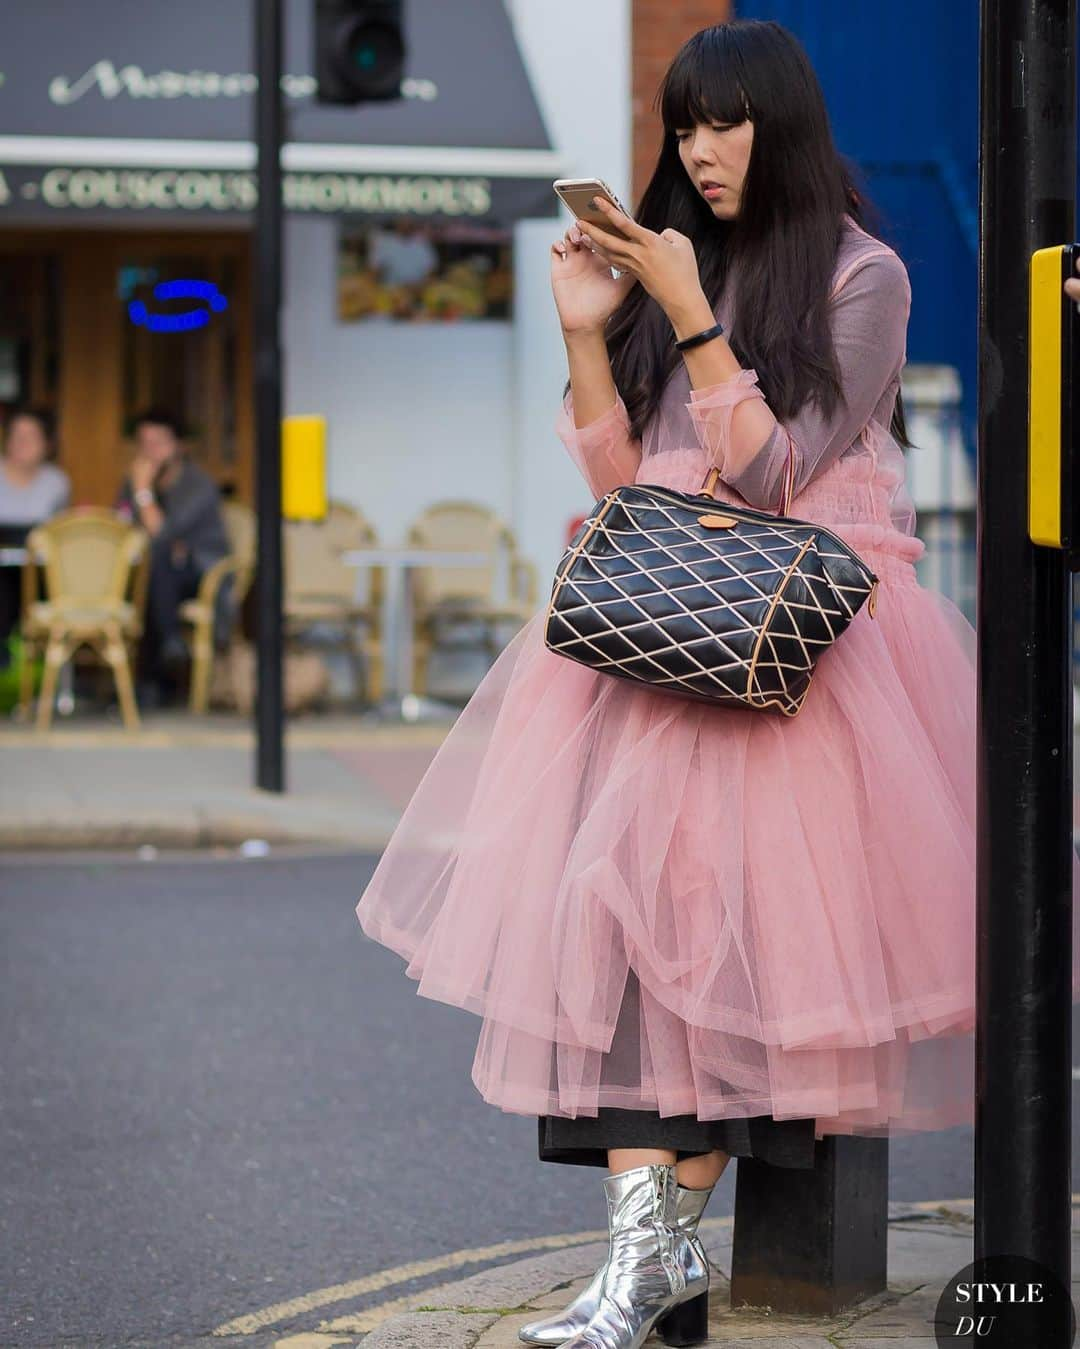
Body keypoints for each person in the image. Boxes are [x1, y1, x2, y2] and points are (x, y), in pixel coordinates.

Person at [355, 20, 1079, 1349]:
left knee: (730, 982)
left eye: (724, 121)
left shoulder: (864, 278)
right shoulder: (669, 269)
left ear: (783, 125)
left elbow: (767, 479)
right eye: (684, 124)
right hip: (656, 646)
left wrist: (691, 308)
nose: (698, 147)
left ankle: (645, 1278)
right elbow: (627, 489)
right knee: (627, 965)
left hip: (794, 665)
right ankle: (645, 1271)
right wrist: (589, 330)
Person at [115, 408, 229, 706]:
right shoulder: (132, 483)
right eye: (145, 443)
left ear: (179, 446)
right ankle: (164, 654)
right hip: (154, 574)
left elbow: (162, 532)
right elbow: (121, 528)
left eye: (160, 442)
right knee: (149, 570)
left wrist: (142, 491)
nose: (151, 451)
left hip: (201, 574)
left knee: (159, 556)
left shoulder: (197, 484)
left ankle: (155, 673)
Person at [0, 406, 70, 665]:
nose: (22, 444)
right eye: (16, 436)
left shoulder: (55, 482)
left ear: (46, 444)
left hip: (37, 569)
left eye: (30, 437)